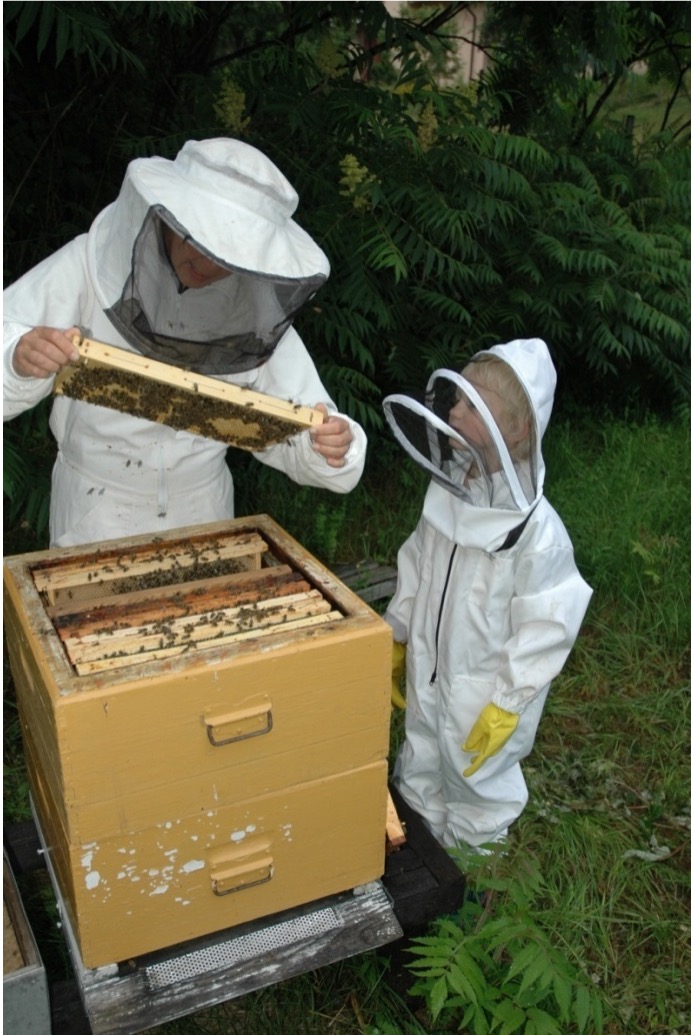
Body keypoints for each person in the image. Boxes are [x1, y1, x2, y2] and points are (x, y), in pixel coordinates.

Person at [3, 138, 366, 548]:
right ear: (169, 215)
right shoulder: (91, 264)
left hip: (203, 513)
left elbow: (307, 427)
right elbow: (6, 335)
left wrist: (333, 445)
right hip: (95, 511)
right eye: (196, 238)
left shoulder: (254, 314)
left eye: (228, 254)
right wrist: (18, 357)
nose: (207, 264)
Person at [382, 338, 592, 850]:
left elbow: (550, 623)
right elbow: (416, 565)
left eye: (472, 406)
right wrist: (397, 633)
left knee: (477, 788)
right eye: (457, 399)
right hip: (429, 671)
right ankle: (427, 869)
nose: (454, 411)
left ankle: (475, 892)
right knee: (419, 764)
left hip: (486, 695)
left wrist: (508, 701)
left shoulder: (538, 532)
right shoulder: (450, 489)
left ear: (517, 429)